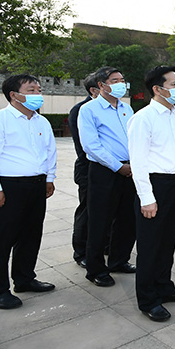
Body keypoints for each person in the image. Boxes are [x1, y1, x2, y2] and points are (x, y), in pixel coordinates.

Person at [0, 74, 57, 309]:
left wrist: (49, 178)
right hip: (7, 187)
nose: (38, 94)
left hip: (36, 185)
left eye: (39, 89)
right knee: (0, 240)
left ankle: (24, 279)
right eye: (31, 90)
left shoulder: (40, 121)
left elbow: (50, 151)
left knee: (30, 235)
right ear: (14, 95)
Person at [127, 66, 175, 322]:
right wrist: (147, 198)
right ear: (157, 88)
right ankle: (148, 300)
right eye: (173, 84)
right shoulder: (143, 118)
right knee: (150, 246)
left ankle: (165, 287)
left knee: (168, 241)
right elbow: (139, 161)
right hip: (155, 185)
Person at [78, 67, 137, 287]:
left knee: (127, 219)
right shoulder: (89, 110)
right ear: (101, 85)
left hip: (130, 170)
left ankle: (119, 260)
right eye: (115, 80)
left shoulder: (127, 109)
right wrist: (117, 166)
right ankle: (95, 269)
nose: (121, 84)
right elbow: (91, 146)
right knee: (100, 221)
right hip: (104, 171)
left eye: (122, 80)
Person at [67, 73, 100, 268]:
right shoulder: (81, 110)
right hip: (89, 168)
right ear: (94, 90)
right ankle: (81, 252)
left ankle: (104, 247)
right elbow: (86, 146)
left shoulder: (119, 109)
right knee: (88, 211)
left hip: (114, 169)